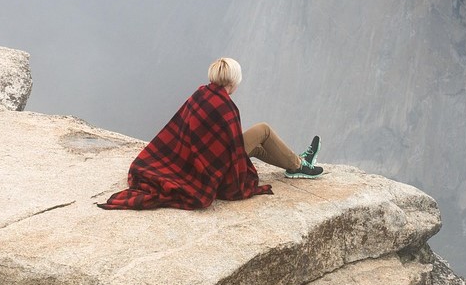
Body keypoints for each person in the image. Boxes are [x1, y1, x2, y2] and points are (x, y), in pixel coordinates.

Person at [98, 57, 322, 210]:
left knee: (258, 145)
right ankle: (299, 165)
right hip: (214, 168)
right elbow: (233, 149)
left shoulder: (200, 94)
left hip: (196, 161)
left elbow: (179, 128)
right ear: (234, 80)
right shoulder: (226, 107)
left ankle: (297, 164)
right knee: (262, 130)